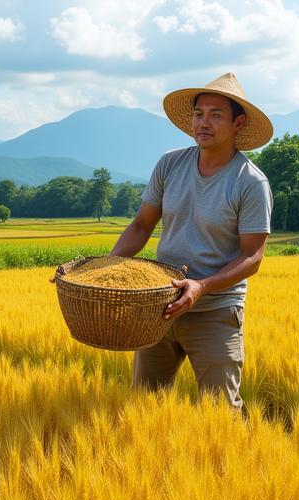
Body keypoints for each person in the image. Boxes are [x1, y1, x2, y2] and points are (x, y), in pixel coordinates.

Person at [110, 72, 273, 411]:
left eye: (216, 115)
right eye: (199, 114)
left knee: (220, 413)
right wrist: (106, 268)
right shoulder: (170, 164)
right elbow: (141, 226)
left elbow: (252, 256)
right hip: (159, 308)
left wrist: (201, 286)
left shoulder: (250, 182)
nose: (204, 123)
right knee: (143, 406)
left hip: (215, 312)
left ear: (238, 123)